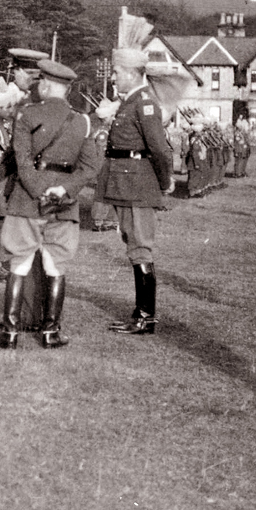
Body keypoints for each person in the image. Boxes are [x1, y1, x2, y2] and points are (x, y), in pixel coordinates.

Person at [0, 60, 100, 349]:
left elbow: (19, 160)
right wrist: (62, 189)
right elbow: (90, 167)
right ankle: (51, 331)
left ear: (45, 85)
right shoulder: (82, 120)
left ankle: (9, 332)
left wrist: (36, 190)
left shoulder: (27, 115)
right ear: (67, 89)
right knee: (55, 265)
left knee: (19, 263)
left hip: (27, 200)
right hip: (63, 203)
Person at [96, 30, 176, 335]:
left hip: (138, 184)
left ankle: (146, 316)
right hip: (128, 183)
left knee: (140, 247)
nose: (114, 77)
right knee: (134, 244)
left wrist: (165, 181)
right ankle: (141, 312)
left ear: (131, 73)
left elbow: (158, 148)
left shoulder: (143, 103)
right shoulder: (131, 101)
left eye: (117, 72)